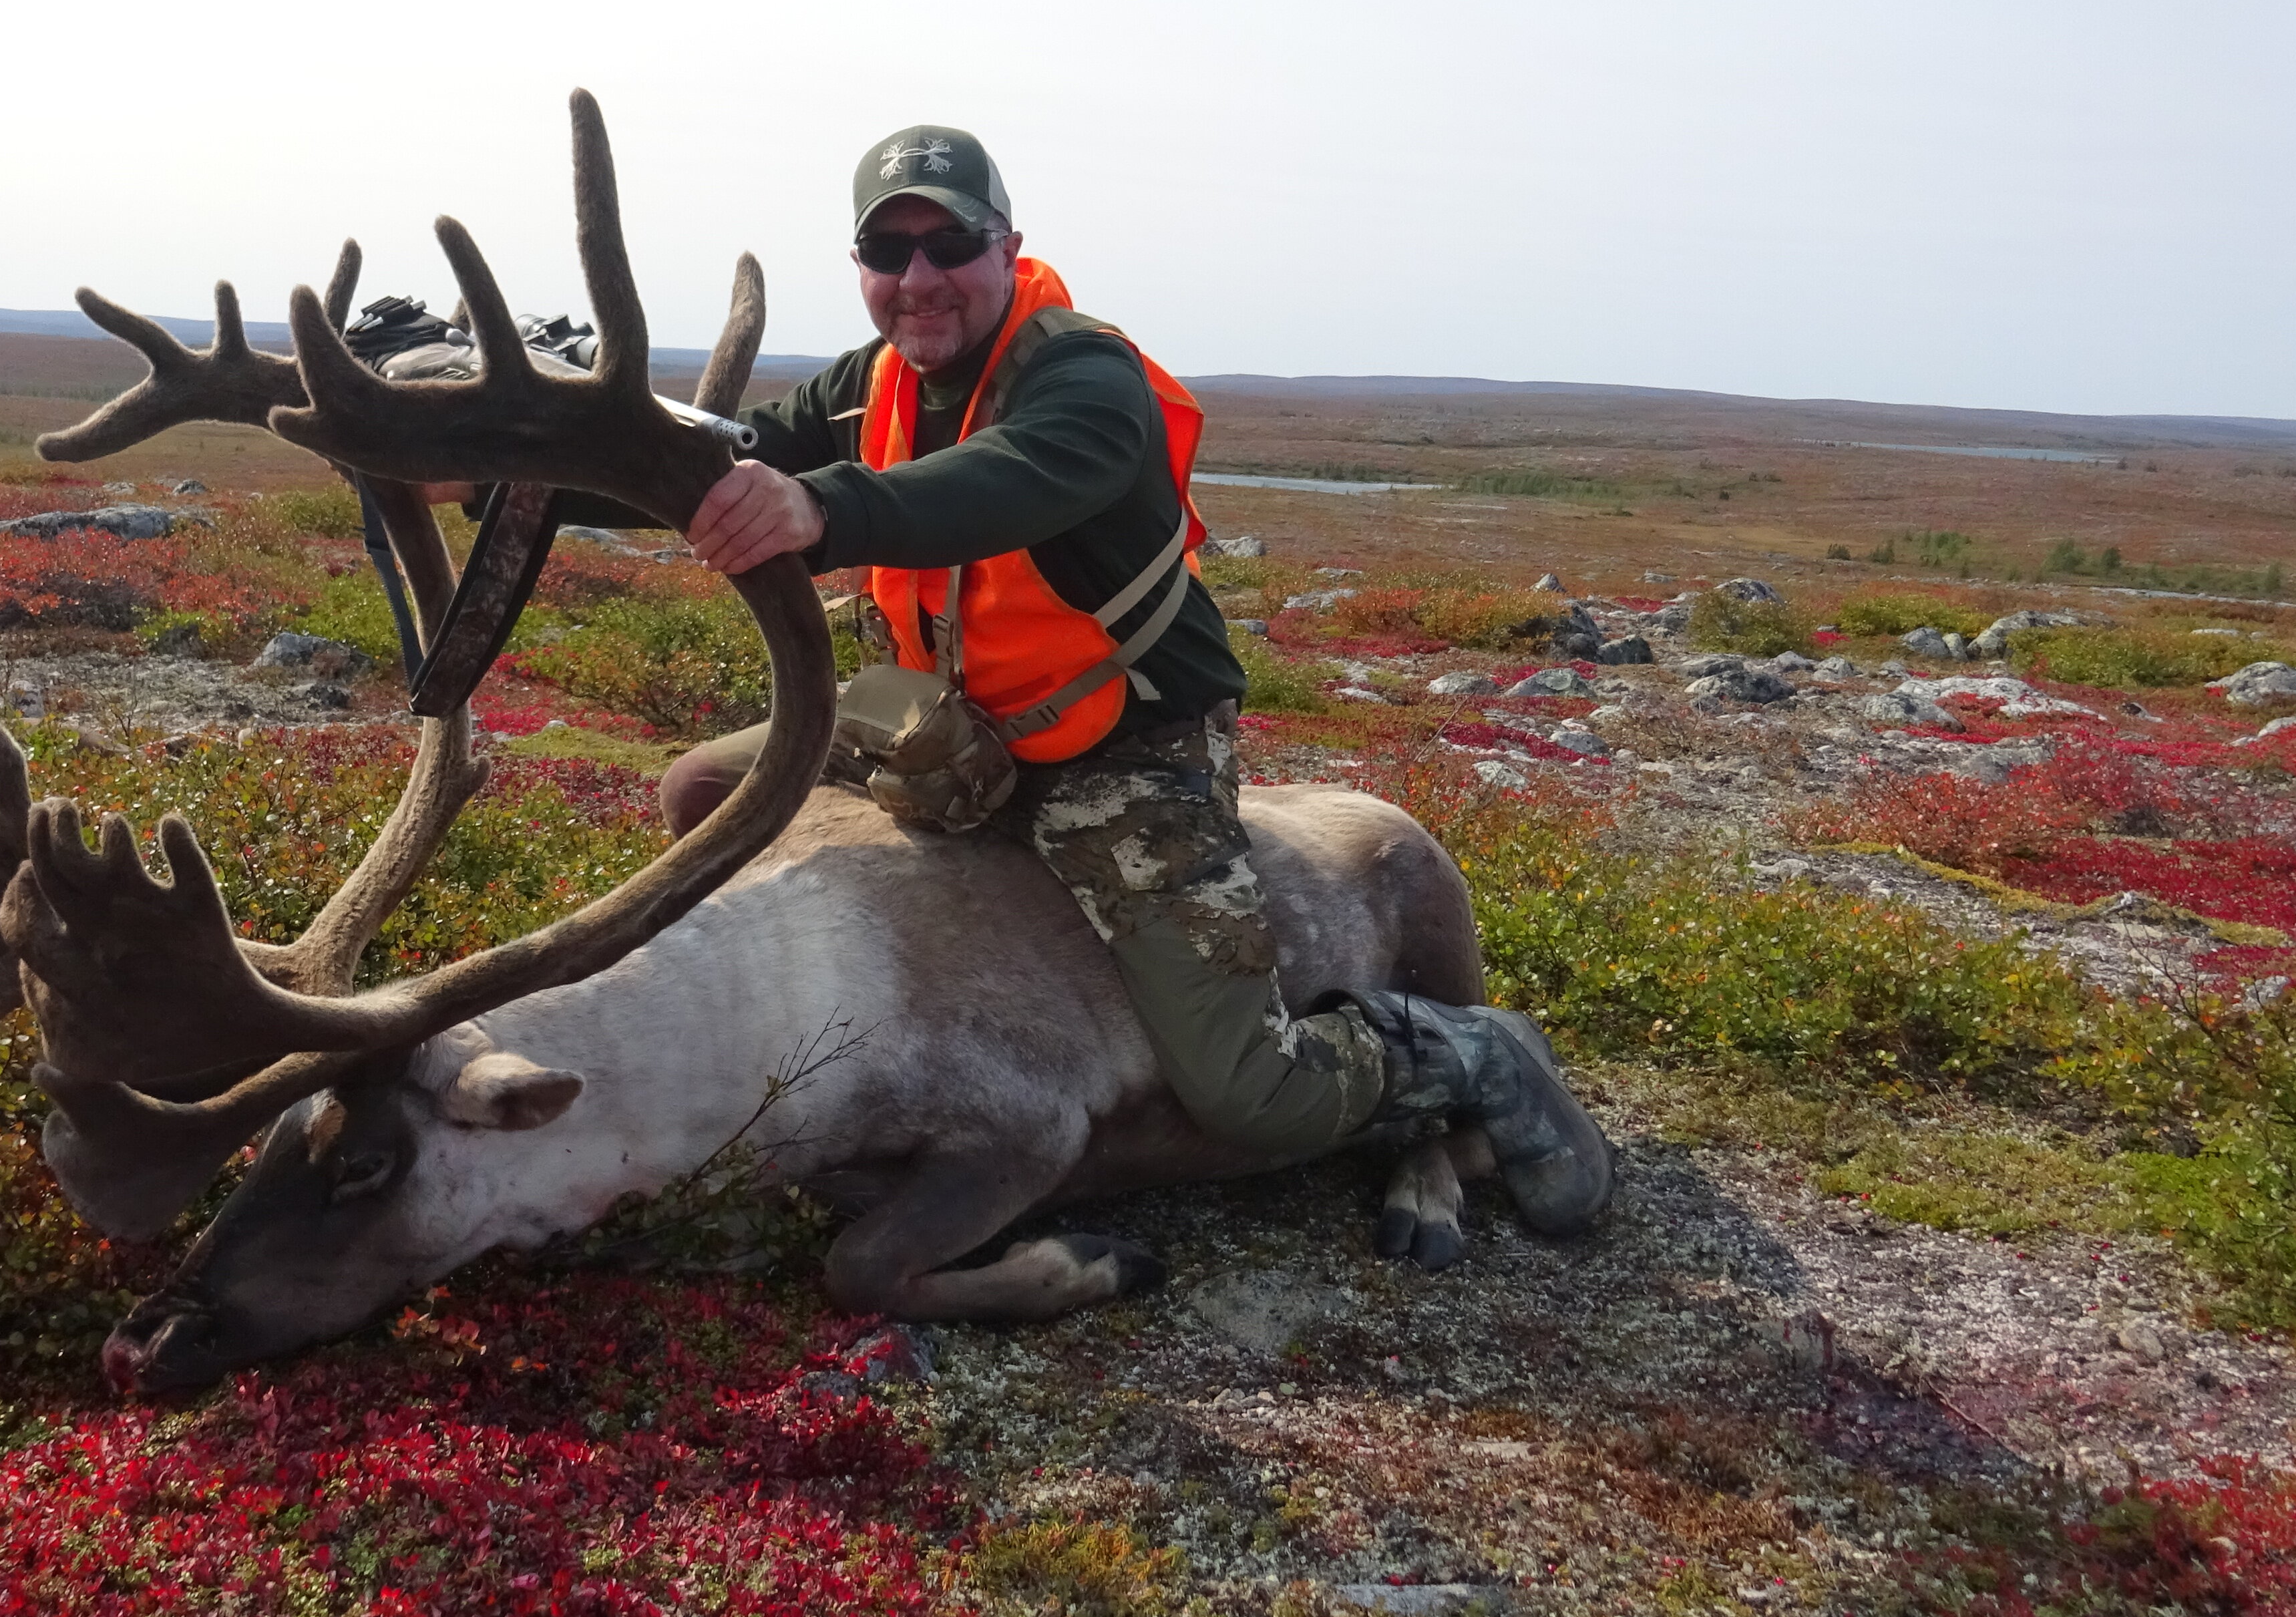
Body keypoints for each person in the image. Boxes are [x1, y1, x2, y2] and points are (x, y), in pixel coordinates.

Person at [646, 123, 1601, 1208]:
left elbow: (1009, 477)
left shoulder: (1088, 379)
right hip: (943, 731)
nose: (919, 278)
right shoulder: (865, 390)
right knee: (707, 788)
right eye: (887, 250)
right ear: (859, 268)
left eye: (949, 241)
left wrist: (823, 504)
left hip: (1118, 753)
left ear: (1008, 247)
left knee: (1251, 1093)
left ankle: (1472, 1053)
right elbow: (716, 453)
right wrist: (492, 480)